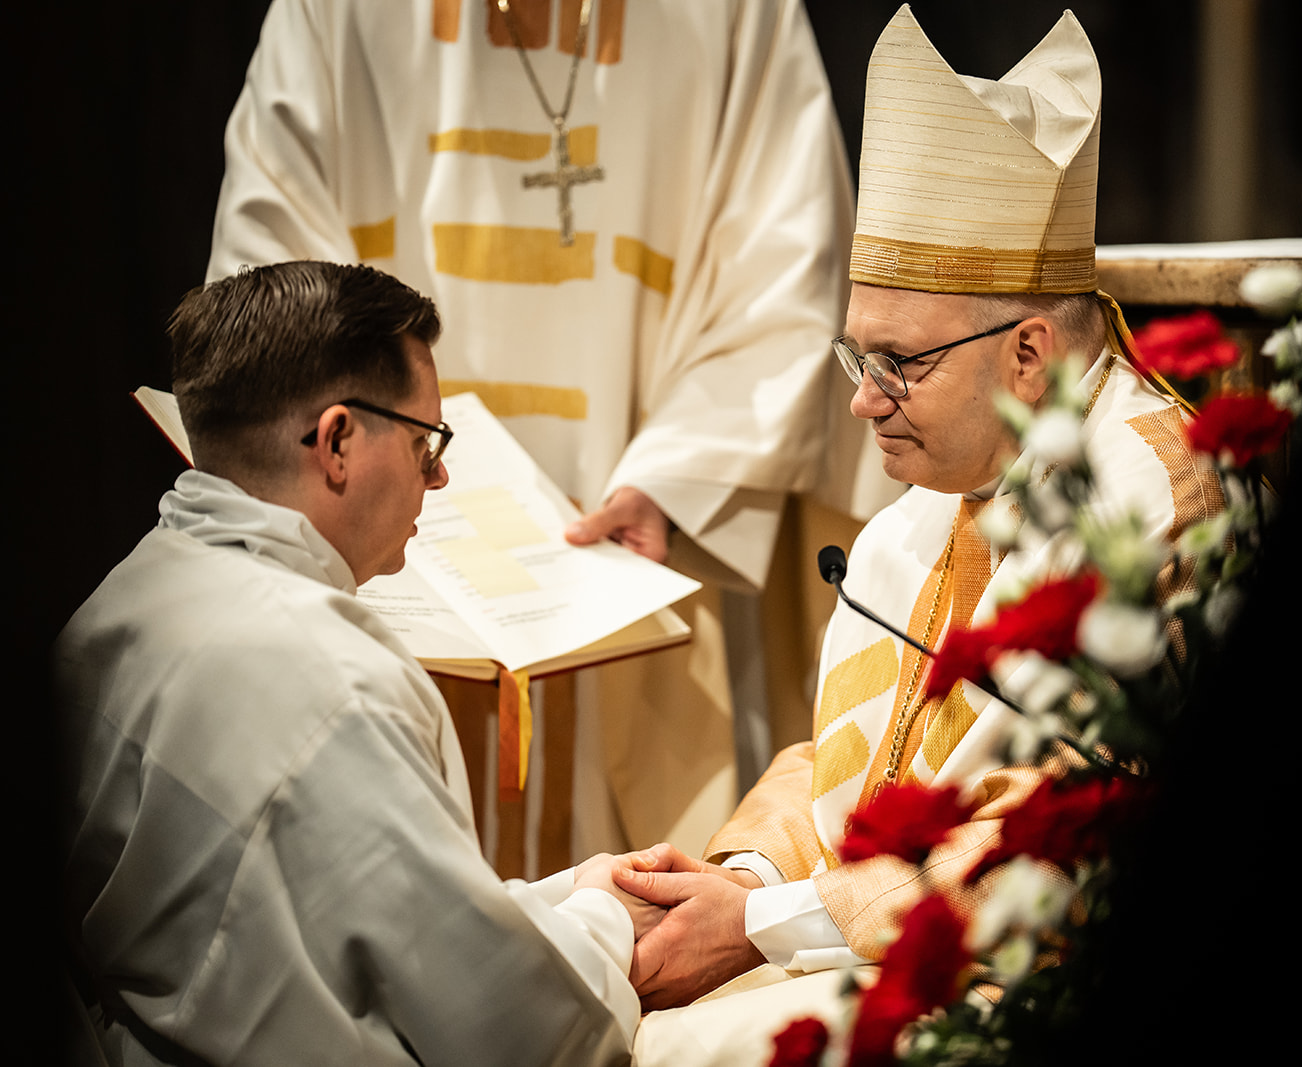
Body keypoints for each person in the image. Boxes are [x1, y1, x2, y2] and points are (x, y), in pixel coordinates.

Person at [612, 8, 1224, 1060]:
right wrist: (745, 879)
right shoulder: (934, 497)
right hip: (880, 939)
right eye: (857, 360)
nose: (864, 401)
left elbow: (1059, 840)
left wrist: (758, 926)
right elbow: (852, 766)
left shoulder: (1139, 501)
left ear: (1028, 352)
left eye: (898, 362)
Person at [206, 0, 881, 864]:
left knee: (647, 920)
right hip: (387, 553)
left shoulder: (730, 16)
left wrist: (672, 482)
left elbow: (789, 272)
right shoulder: (335, 16)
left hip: (635, 564)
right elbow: (266, 280)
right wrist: (381, 476)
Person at [59, 261, 649, 1066]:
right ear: (337, 440)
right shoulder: (333, 682)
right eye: (426, 442)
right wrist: (610, 922)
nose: (438, 475)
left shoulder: (117, 603)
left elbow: (345, 929)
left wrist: (568, 895)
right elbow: (515, 1032)